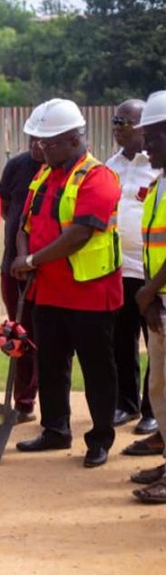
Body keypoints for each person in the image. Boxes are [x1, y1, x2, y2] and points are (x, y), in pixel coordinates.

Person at [11, 98, 122, 468]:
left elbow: (80, 233)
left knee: (97, 369)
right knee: (52, 364)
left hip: (90, 294)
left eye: (49, 141)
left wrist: (31, 260)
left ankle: (100, 438)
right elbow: (24, 224)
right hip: (49, 292)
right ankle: (55, 429)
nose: (40, 147)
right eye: (40, 141)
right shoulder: (43, 175)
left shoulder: (98, 177)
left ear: (74, 138)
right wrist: (24, 257)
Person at [106, 100, 161, 441]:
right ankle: (126, 403)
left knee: (155, 340)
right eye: (114, 120)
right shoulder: (108, 167)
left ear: (143, 126)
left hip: (152, 272)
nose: (116, 126)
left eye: (122, 121)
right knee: (120, 341)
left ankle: (153, 411)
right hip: (117, 269)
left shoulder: (158, 167)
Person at [131, 89, 166, 503]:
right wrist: (153, 296)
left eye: (154, 137)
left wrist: (149, 290)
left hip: (156, 294)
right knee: (160, 386)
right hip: (159, 302)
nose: (146, 145)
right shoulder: (158, 184)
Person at [0, 133, 43, 424]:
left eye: (42, 140)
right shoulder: (16, 166)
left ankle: (54, 408)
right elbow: (6, 209)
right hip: (11, 265)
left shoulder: (63, 172)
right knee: (19, 334)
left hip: (47, 269)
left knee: (48, 337)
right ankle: (23, 403)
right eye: (31, 139)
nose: (36, 145)